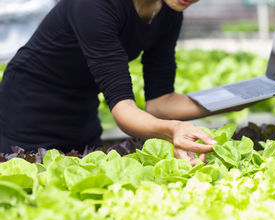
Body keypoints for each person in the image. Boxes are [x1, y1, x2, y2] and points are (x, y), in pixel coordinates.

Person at [0, 0, 248, 165]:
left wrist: (239, 98)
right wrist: (173, 130)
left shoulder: (169, 11)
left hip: (82, 114)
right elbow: (123, 110)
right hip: (28, 112)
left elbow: (161, 103)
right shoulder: (96, 5)